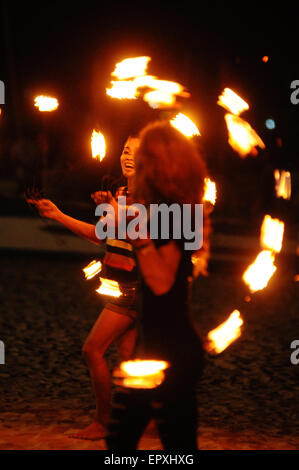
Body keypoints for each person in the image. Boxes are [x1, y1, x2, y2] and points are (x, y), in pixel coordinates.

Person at [27, 135, 140, 440]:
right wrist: (58, 214)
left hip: (136, 290)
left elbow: (139, 235)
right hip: (123, 287)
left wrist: (114, 207)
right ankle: (145, 420)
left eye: (137, 150)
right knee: (129, 357)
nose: (128, 155)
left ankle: (104, 422)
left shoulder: (150, 195)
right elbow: (100, 235)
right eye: (125, 149)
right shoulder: (120, 192)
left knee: (92, 349)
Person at [106, 121, 210, 450]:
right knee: (146, 443)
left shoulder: (170, 211)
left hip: (168, 353)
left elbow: (163, 282)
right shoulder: (177, 206)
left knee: (160, 446)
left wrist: (140, 240)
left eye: (143, 153)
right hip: (158, 346)